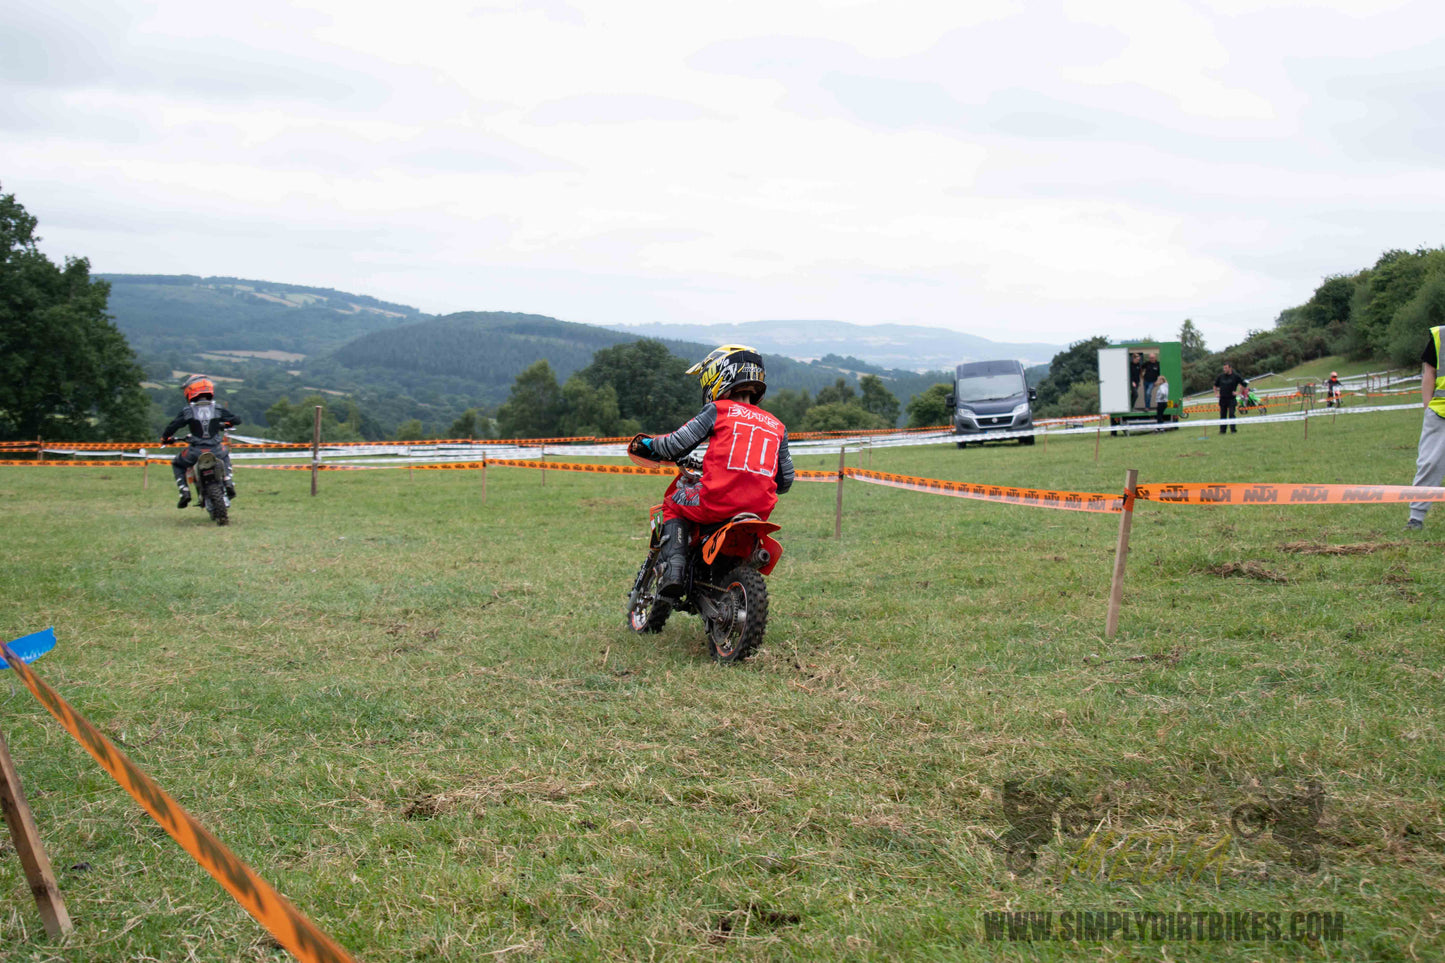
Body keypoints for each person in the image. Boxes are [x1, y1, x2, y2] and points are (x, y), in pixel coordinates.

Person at [630, 345, 795, 597]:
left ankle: (674, 571)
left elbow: (675, 444)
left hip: (715, 502)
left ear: (718, 377)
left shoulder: (718, 411)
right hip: (759, 511)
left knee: (671, 504)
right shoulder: (777, 425)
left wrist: (650, 444)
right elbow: (784, 482)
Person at [161, 376, 241, 508]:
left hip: (195, 451)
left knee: (177, 463)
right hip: (216, 450)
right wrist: (224, 424)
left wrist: (165, 438)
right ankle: (228, 481)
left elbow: (173, 426)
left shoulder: (188, 411)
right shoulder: (217, 408)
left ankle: (184, 492)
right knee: (225, 455)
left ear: (190, 391)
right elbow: (236, 420)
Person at [1406, 328, 1445, 530]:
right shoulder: (1441, 336)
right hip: (1440, 413)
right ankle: (1416, 518)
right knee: (1429, 463)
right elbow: (1429, 371)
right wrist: (1428, 406)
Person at [1213, 362, 1248, 434]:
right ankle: (1222, 431)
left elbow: (1244, 384)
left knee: (1231, 414)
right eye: (1224, 368)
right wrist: (1216, 393)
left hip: (1231, 398)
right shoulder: (1220, 376)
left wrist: (1238, 392)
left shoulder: (1235, 376)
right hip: (1222, 398)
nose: (1224, 369)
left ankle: (1233, 430)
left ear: (1230, 368)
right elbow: (1215, 385)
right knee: (1222, 415)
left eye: (1226, 368)